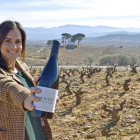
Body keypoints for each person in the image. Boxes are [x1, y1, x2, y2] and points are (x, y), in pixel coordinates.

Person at [0, 20, 59, 140]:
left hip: (37, 132)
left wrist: (38, 90)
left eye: (18, 42)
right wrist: (27, 98)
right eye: (8, 41)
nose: (14, 46)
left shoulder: (22, 66)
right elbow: (7, 87)